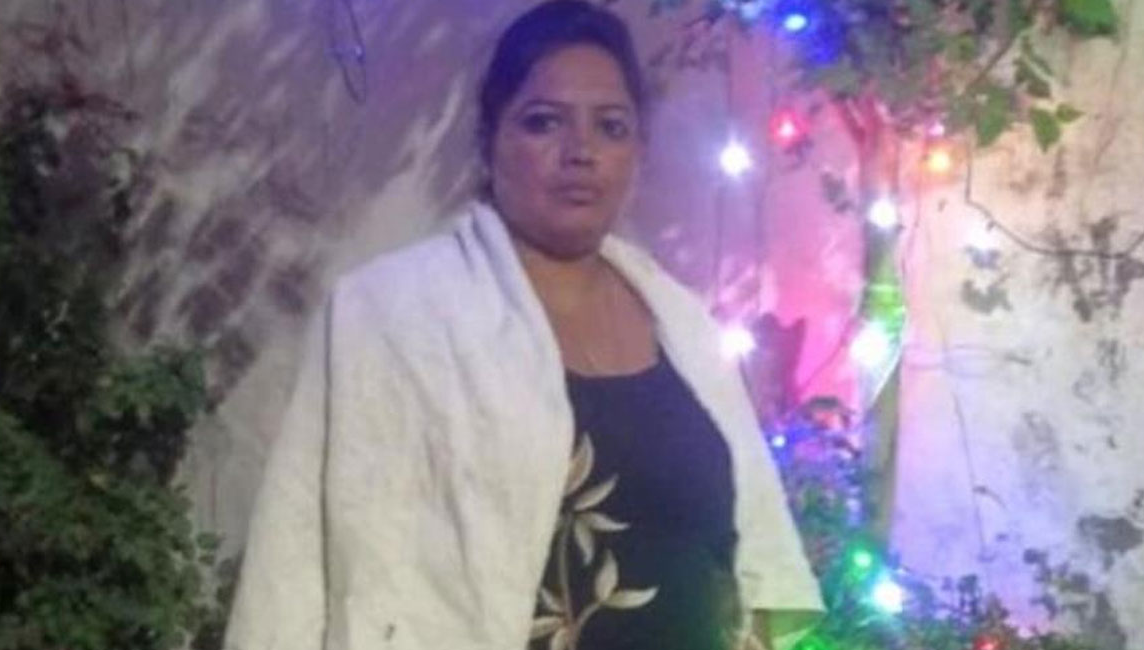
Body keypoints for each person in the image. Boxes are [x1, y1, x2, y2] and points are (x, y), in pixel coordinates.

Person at [224, 2, 823, 650]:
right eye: (543, 122)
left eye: (611, 127)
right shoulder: (393, 315)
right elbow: (294, 560)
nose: (581, 152)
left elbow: (745, 557)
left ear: (638, 151)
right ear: (490, 139)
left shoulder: (686, 328)